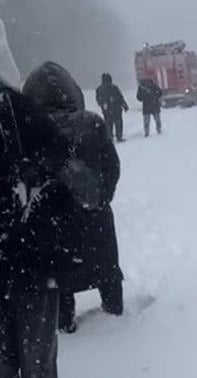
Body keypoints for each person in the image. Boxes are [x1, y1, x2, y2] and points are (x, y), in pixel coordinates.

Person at [0, 67, 99, 376]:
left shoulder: (18, 111)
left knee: (31, 361)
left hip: (31, 263)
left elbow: (86, 190)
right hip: (33, 263)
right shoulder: (20, 109)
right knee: (31, 361)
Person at [22, 62, 123, 334]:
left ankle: (65, 322)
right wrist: (100, 199)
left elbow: (23, 178)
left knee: (59, 280)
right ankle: (114, 309)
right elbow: (112, 167)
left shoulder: (29, 131)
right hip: (94, 218)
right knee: (106, 267)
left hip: (51, 227)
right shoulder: (92, 123)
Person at [96, 73, 129, 142]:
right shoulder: (114, 87)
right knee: (118, 122)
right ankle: (119, 136)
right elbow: (120, 97)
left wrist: (102, 104)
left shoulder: (99, 89)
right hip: (116, 108)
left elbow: (98, 99)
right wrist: (124, 105)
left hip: (106, 109)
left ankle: (109, 137)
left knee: (108, 123)